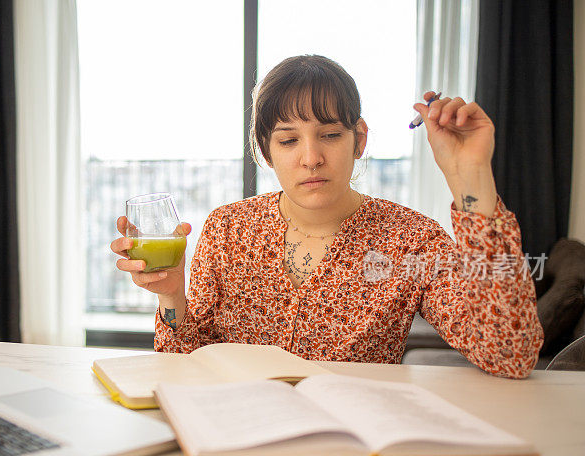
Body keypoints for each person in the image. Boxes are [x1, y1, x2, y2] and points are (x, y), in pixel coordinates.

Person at [110, 55, 542, 379]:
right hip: (236, 441)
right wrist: (171, 295)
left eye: (330, 135)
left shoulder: (412, 240)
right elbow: (180, 366)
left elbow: (510, 356)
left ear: (359, 139)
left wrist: (471, 176)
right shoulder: (228, 229)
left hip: (354, 451)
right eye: (288, 140)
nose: (311, 158)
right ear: (265, 151)